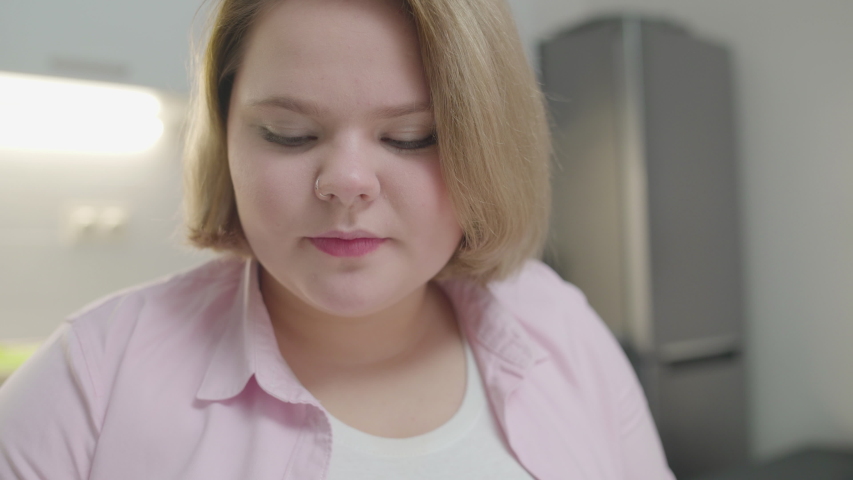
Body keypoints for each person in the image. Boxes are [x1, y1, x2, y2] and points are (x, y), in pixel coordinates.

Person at [0, 0, 675, 478]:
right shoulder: (89, 381)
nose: (346, 182)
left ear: (486, 147)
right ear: (226, 133)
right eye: (289, 134)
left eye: (411, 138)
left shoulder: (561, 330)